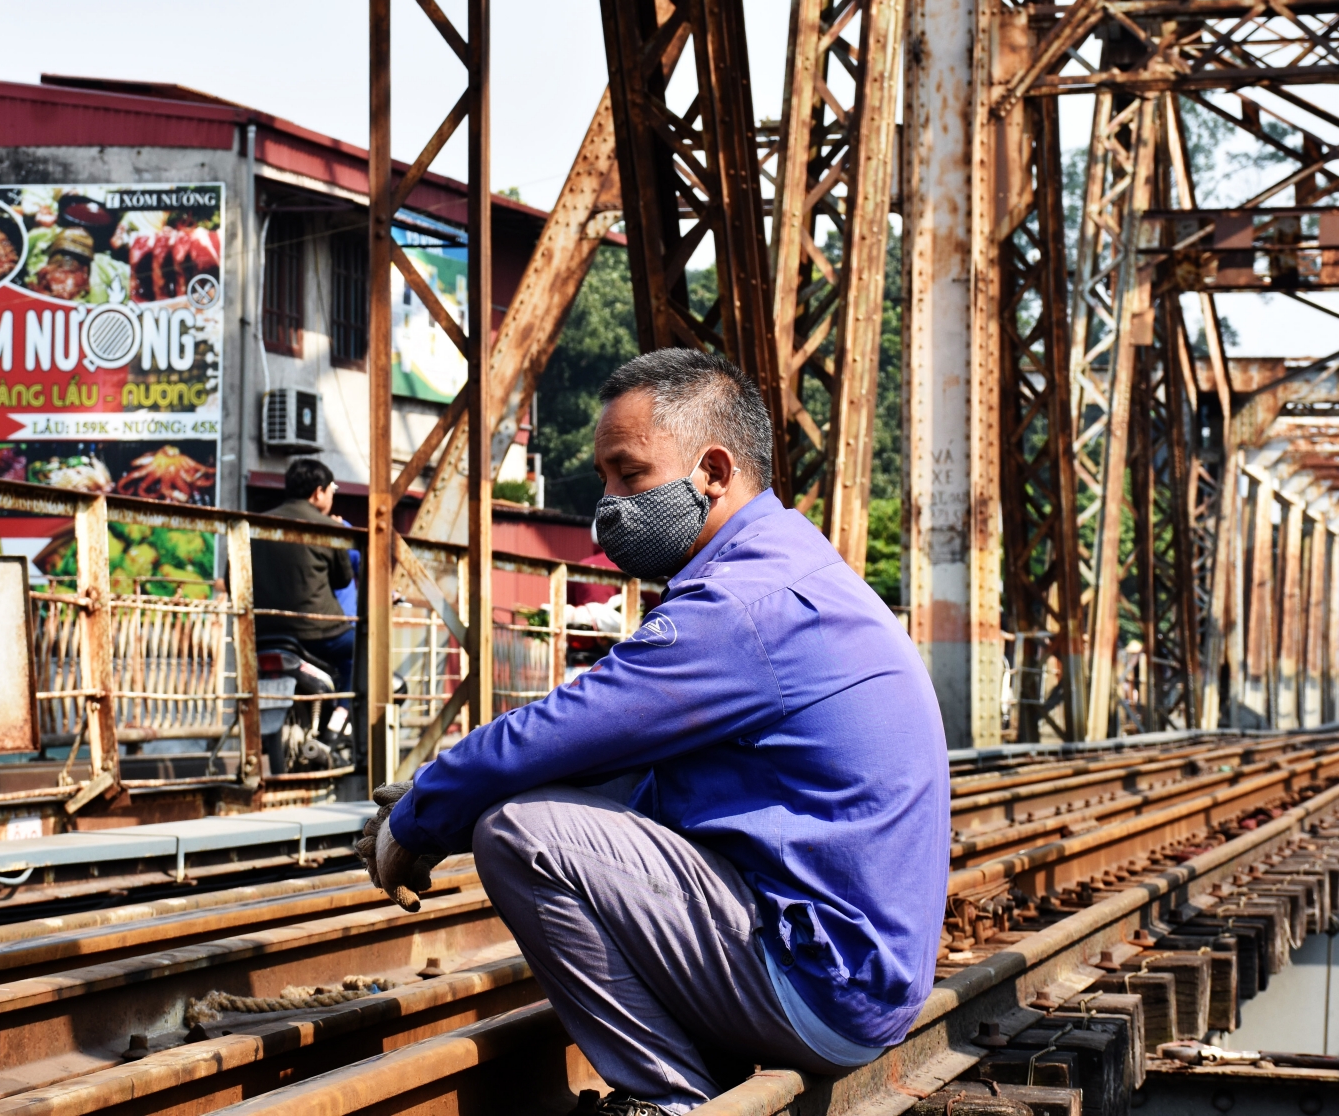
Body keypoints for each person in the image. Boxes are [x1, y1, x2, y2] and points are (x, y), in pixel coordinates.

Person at [358, 349, 949, 1116]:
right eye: (603, 477)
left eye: (629, 474)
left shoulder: (740, 607)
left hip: (821, 986)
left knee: (522, 833)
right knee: (584, 795)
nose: (608, 504)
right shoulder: (789, 567)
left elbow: (558, 730)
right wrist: (442, 803)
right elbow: (616, 767)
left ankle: (670, 1101)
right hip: (856, 973)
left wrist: (421, 816)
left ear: (713, 470)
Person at [252, 457, 355, 690]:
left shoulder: (255, 525)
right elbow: (343, 579)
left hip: (263, 633)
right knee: (366, 647)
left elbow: (233, 582)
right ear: (318, 492)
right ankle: (343, 709)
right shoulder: (329, 527)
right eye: (332, 490)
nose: (332, 496)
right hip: (320, 633)